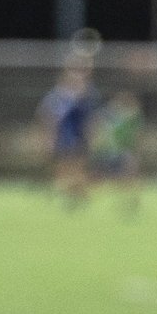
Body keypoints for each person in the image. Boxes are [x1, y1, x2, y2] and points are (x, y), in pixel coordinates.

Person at [37, 64, 96, 210]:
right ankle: (72, 195)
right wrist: (48, 138)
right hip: (65, 139)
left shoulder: (84, 99)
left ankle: (77, 195)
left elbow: (89, 121)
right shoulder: (58, 99)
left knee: (78, 167)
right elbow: (48, 118)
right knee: (64, 168)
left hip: (78, 139)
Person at [91, 88, 144, 217]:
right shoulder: (108, 115)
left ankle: (130, 203)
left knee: (129, 177)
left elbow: (135, 138)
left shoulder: (132, 117)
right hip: (110, 152)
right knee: (100, 178)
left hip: (123, 152)